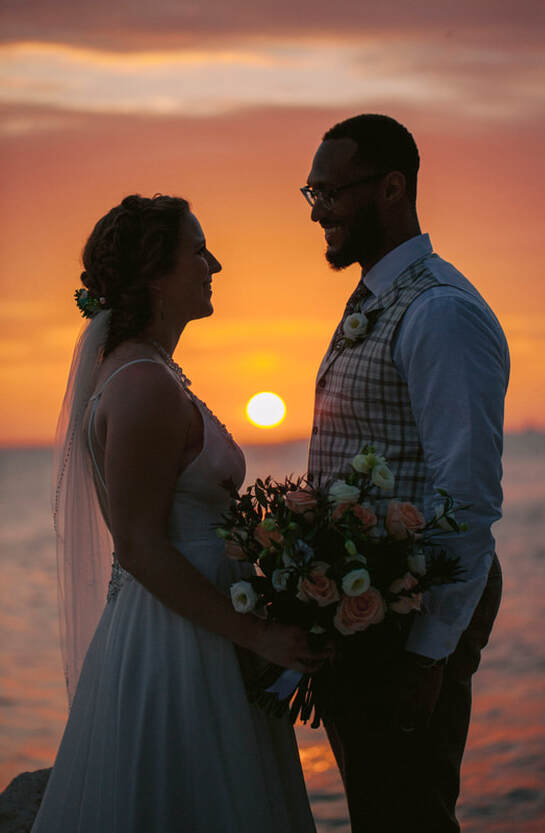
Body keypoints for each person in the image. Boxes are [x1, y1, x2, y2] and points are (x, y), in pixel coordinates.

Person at [32, 194, 324, 832]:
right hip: (180, 646)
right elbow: (138, 547)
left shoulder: (156, 373)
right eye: (198, 250)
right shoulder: (141, 386)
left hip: (202, 629)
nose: (213, 262)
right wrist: (257, 635)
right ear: (157, 274)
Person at [303, 115, 508, 832]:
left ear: (392, 187)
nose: (317, 210)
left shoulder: (438, 311)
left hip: (413, 617)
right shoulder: (377, 297)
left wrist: (427, 655)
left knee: (407, 813)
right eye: (311, 193)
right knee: (379, 810)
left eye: (331, 192)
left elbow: (468, 494)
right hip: (371, 607)